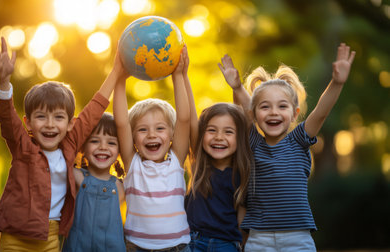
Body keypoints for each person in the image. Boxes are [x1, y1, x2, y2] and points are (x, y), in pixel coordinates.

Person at [218, 43, 355, 251]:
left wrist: (337, 82)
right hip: (259, 238)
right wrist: (236, 87)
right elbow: (244, 110)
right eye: (265, 107)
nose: (273, 112)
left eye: (282, 106)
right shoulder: (253, 143)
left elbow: (321, 112)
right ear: (254, 115)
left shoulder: (299, 140)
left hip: (297, 238)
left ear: (294, 113)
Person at [0, 37, 122, 251]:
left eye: (58, 117)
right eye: (41, 117)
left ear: (71, 123)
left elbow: (94, 110)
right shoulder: (23, 147)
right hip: (15, 238)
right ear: (28, 123)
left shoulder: (70, 145)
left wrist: (116, 71)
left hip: (50, 238)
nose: (50, 124)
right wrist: (3, 81)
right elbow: (6, 116)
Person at [113, 46, 191, 251]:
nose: (152, 135)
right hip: (137, 247)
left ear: (172, 135)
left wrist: (178, 76)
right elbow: (121, 122)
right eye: (142, 130)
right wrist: (120, 78)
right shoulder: (132, 164)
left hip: (178, 247)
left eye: (160, 128)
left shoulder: (176, 160)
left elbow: (184, 119)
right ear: (133, 138)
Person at [183, 45, 253, 251]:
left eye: (228, 132)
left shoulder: (240, 173)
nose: (219, 137)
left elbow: (250, 120)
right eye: (212, 130)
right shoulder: (199, 164)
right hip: (191, 242)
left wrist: (237, 87)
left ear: (240, 138)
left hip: (226, 246)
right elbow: (188, 114)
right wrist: (183, 75)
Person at [62, 112, 126, 252]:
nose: (103, 147)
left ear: (120, 150)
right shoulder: (77, 176)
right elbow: (66, 145)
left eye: (111, 142)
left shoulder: (121, 186)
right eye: (94, 141)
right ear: (82, 148)